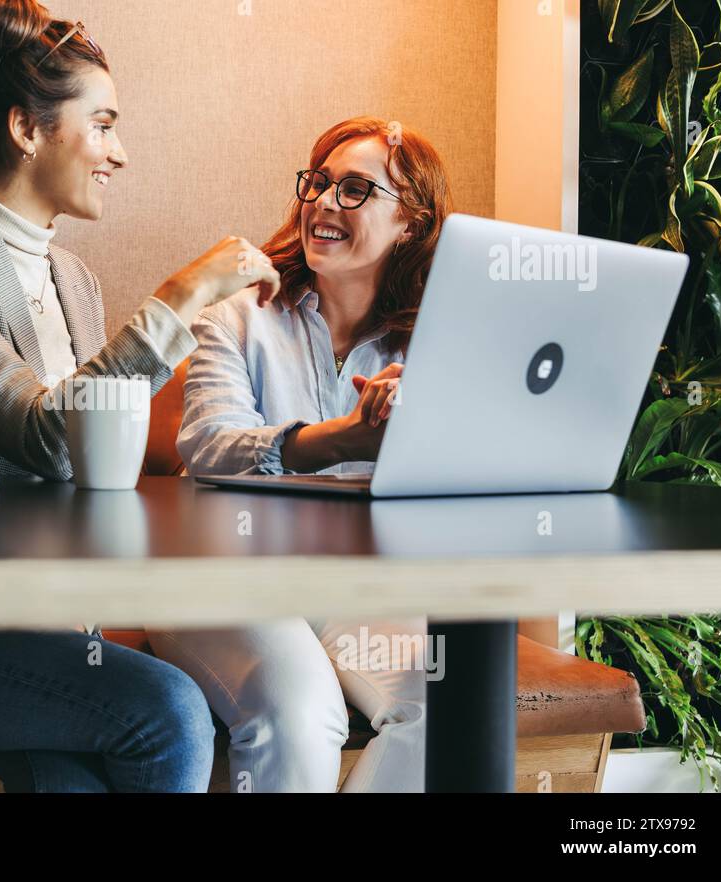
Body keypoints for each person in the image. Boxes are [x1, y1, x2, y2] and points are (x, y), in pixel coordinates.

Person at [0, 0, 282, 793]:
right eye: (102, 125)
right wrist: (186, 291)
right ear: (26, 129)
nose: (121, 153)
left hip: (59, 631)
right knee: (170, 711)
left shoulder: (75, 281)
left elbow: (92, 475)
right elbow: (42, 436)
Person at [152, 117, 454, 792]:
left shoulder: (434, 344)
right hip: (222, 576)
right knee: (299, 707)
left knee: (446, 702)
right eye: (318, 182)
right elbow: (209, 448)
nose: (322, 202)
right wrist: (343, 439)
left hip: (356, 588)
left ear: (410, 223)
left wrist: (428, 431)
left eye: (354, 190)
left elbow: (464, 486)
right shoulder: (237, 314)